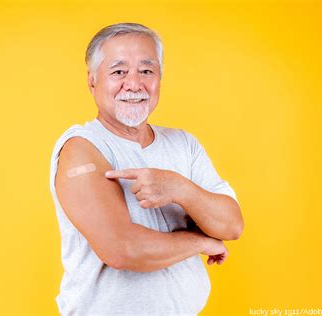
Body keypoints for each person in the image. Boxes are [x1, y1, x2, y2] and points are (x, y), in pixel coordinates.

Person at [49, 22, 244, 316]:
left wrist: (180, 188)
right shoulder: (82, 148)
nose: (134, 84)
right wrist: (201, 241)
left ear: (159, 78)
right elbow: (123, 249)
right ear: (92, 81)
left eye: (146, 70)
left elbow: (231, 225)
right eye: (118, 72)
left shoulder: (184, 144)